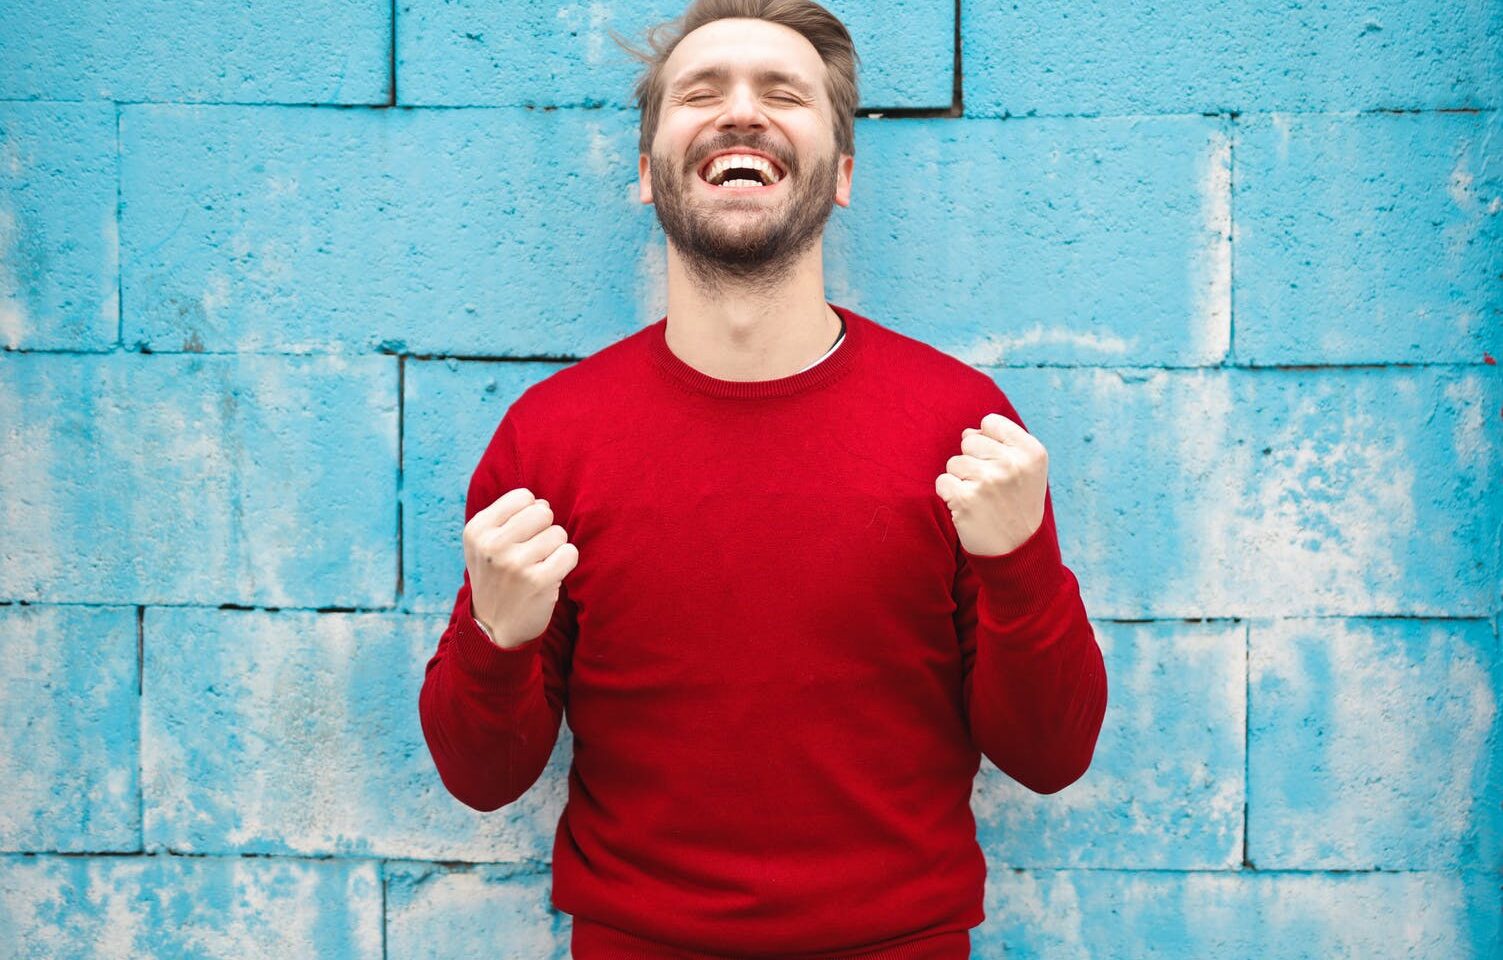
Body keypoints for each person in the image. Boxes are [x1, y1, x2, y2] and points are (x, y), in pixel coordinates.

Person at [417, 2, 1108, 957]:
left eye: (783, 95)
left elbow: (1050, 757)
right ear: (649, 175)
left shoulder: (960, 428)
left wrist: (1020, 568)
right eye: (702, 94)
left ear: (843, 176)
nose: (741, 112)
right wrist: (497, 638)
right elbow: (482, 778)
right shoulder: (549, 441)